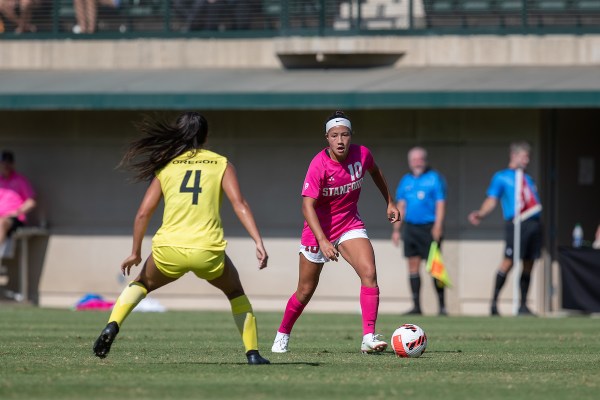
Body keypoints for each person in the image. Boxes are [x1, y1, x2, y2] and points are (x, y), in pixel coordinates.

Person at [92, 111, 271, 365]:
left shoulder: (167, 166)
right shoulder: (221, 163)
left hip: (169, 249)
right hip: (207, 251)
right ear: (206, 136)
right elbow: (239, 203)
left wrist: (135, 252)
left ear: (179, 134)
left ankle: (112, 324)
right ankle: (252, 354)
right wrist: (258, 241)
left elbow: (143, 212)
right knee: (235, 292)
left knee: (141, 284)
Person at [271, 111, 400, 354]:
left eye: (344, 135)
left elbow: (376, 172)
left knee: (369, 272)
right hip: (317, 230)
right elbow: (306, 206)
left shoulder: (362, 154)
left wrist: (390, 202)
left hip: (350, 224)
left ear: (351, 136)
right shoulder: (319, 164)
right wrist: (322, 240)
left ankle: (368, 337)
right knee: (305, 291)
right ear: (327, 139)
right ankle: (282, 334)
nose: (340, 140)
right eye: (334, 136)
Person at [468, 141, 542, 316]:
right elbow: (492, 199)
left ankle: (523, 304)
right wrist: (481, 213)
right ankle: (494, 303)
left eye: (528, 157)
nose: (527, 160)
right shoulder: (502, 177)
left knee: (529, 263)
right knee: (508, 261)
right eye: (524, 156)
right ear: (514, 156)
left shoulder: (527, 178)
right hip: (516, 224)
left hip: (534, 224)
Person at [391, 146, 447, 316]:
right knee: (413, 266)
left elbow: (440, 203)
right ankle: (416, 306)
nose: (417, 162)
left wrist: (438, 225)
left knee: (434, 267)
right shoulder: (406, 181)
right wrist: (396, 229)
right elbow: (401, 205)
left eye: (420, 159)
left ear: (425, 160)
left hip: (429, 228)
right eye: (414, 160)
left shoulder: (434, 178)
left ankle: (442, 307)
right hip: (411, 228)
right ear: (410, 162)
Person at [0, 150, 36, 254]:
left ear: (12, 164)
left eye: (8, 162)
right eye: (3, 162)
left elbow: (31, 202)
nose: (6, 165)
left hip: (14, 219)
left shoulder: (20, 180)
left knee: (1, 223)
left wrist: (17, 212)